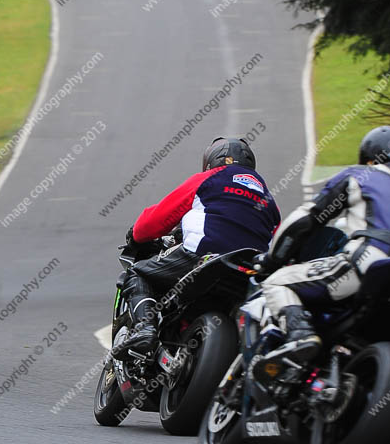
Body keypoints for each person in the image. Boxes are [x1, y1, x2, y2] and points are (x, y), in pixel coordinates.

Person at [253, 125, 390, 381]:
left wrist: (271, 260)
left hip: (371, 262)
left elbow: (305, 220)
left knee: (277, 282)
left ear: (370, 158)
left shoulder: (361, 175)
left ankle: (301, 336)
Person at [114, 137, 281, 357]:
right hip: (252, 271)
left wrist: (136, 237)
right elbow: (278, 244)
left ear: (211, 161)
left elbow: (155, 221)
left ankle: (146, 329)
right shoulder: (268, 199)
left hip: (205, 256)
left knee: (137, 274)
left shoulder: (209, 178)